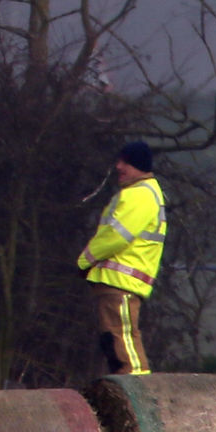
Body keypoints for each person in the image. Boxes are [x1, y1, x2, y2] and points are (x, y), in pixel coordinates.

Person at [77, 140, 166, 377]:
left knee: (122, 338)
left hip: (121, 282)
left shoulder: (140, 195)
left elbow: (116, 235)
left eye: (124, 162)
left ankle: (138, 393)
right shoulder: (141, 193)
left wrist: (85, 260)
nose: (118, 167)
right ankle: (131, 391)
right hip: (118, 282)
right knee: (115, 341)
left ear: (137, 165)